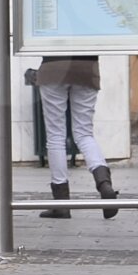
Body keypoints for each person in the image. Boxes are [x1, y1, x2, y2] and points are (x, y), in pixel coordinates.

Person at [35, 55, 119, 219]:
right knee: (84, 133)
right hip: (87, 69)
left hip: (53, 67)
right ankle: (104, 184)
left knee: (55, 136)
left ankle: (62, 204)